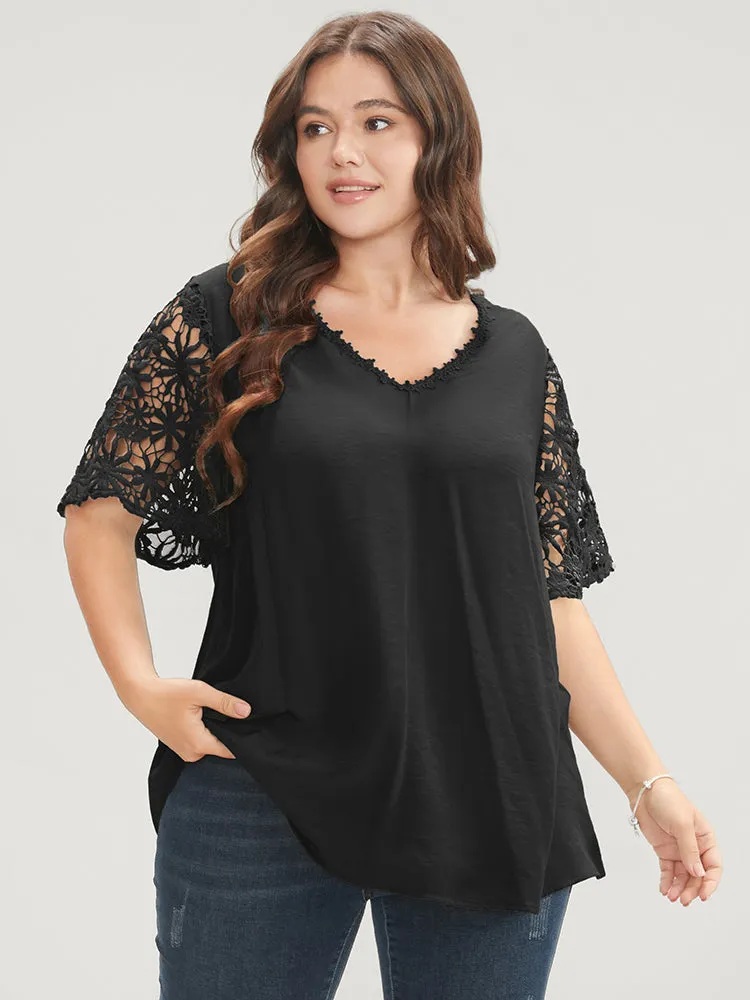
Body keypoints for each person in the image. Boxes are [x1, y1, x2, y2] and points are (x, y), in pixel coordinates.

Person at [56, 10, 722, 1000]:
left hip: (491, 790)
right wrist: (140, 686)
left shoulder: (517, 354)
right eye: (316, 127)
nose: (342, 152)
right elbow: (100, 512)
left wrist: (647, 781)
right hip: (262, 780)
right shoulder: (224, 317)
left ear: (435, 138)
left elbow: (545, 598)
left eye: (377, 122)